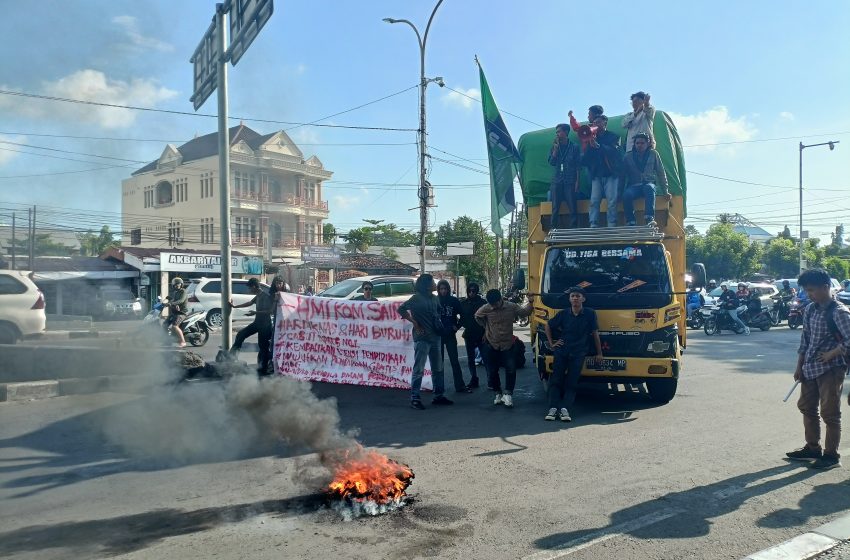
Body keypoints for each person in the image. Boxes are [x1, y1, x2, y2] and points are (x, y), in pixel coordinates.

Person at [786, 269, 850, 470]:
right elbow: (805, 340)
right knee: (806, 407)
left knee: (830, 414)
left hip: (831, 370)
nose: (809, 294)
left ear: (825, 287)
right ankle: (812, 448)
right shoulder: (810, 310)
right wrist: (799, 365)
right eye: (807, 290)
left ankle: (831, 456)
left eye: (812, 290)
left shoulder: (839, 312)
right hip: (809, 368)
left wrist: (832, 353)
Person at [543, 287, 603, 421]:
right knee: (556, 380)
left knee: (572, 382)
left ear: (583, 299)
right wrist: (552, 344)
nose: (575, 298)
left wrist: (599, 353)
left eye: (578, 296)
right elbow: (548, 325)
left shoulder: (590, 313)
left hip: (579, 353)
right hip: (562, 351)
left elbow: (595, 333)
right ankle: (552, 408)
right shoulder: (563, 314)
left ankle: (565, 409)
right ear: (569, 299)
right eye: (572, 296)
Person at [398, 274, 452, 410]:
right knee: (419, 369)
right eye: (433, 282)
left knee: (438, 368)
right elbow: (401, 309)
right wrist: (414, 323)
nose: (435, 284)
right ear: (427, 285)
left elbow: (438, 312)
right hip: (422, 338)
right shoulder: (416, 298)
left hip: (435, 338)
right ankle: (415, 398)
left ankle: (438, 395)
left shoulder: (435, 298)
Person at [474, 289, 534, 408]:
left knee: (511, 369)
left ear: (500, 299)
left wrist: (531, 301)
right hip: (492, 344)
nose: (493, 306)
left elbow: (524, 313)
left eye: (495, 304)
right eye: (491, 304)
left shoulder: (511, 306)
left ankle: (508, 394)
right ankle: (498, 393)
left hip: (508, 344)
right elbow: (477, 316)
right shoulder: (486, 308)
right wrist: (486, 327)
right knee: (492, 371)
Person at [620, 133, 671, 227]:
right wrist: (619, 192)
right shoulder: (628, 156)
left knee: (649, 188)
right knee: (627, 194)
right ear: (634, 144)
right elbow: (622, 176)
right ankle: (630, 221)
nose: (639, 145)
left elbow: (661, 172)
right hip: (634, 186)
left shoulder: (653, 154)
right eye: (637, 143)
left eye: (642, 143)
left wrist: (665, 191)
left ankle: (649, 218)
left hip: (648, 183)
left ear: (648, 143)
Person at [582, 114, 623, 228]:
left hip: (611, 174)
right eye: (594, 123)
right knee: (594, 200)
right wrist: (589, 145)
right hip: (597, 175)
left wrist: (598, 146)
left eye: (598, 122)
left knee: (612, 200)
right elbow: (586, 160)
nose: (596, 125)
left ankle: (611, 224)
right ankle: (593, 223)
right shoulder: (592, 137)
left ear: (605, 123)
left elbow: (614, 152)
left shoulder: (614, 137)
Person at [229, 278, 274, 376]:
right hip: (257, 323)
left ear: (254, 286)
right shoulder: (258, 296)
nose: (249, 290)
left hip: (265, 325)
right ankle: (232, 357)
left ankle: (263, 369)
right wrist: (235, 306)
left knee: (263, 347)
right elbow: (249, 303)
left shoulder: (265, 296)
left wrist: (255, 312)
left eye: (249, 288)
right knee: (241, 334)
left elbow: (270, 311)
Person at [436, 279, 469, 394]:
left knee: (454, 361)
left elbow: (463, 315)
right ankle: (438, 387)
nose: (443, 291)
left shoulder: (453, 301)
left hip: (450, 334)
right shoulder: (435, 300)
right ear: (438, 290)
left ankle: (460, 386)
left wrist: (457, 326)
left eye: (445, 289)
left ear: (448, 289)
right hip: (438, 335)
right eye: (441, 289)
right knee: (438, 363)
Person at [548, 123, 582, 229]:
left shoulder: (574, 147)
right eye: (556, 132)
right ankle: (553, 228)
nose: (557, 134)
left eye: (559, 131)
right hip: (557, 180)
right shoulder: (554, 146)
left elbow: (578, 166)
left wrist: (577, 181)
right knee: (555, 206)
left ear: (566, 132)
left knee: (572, 205)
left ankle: (573, 228)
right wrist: (555, 150)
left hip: (570, 180)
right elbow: (551, 162)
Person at [460, 283, 487, 389]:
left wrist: (486, 333)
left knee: (486, 358)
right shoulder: (463, 303)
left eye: (474, 291)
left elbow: (488, 319)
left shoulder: (483, 303)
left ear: (477, 291)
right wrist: (457, 325)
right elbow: (461, 318)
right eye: (470, 291)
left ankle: (491, 380)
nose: (472, 293)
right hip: (469, 334)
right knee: (471, 359)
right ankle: (474, 379)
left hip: (481, 333)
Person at [166, 277, 188, 348]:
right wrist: (168, 302)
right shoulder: (175, 292)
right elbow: (174, 300)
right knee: (164, 324)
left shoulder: (183, 291)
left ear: (181, 284)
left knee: (175, 326)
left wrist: (172, 303)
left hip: (181, 313)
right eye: (175, 284)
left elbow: (181, 300)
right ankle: (167, 341)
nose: (177, 285)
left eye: (178, 284)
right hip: (175, 312)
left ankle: (183, 342)